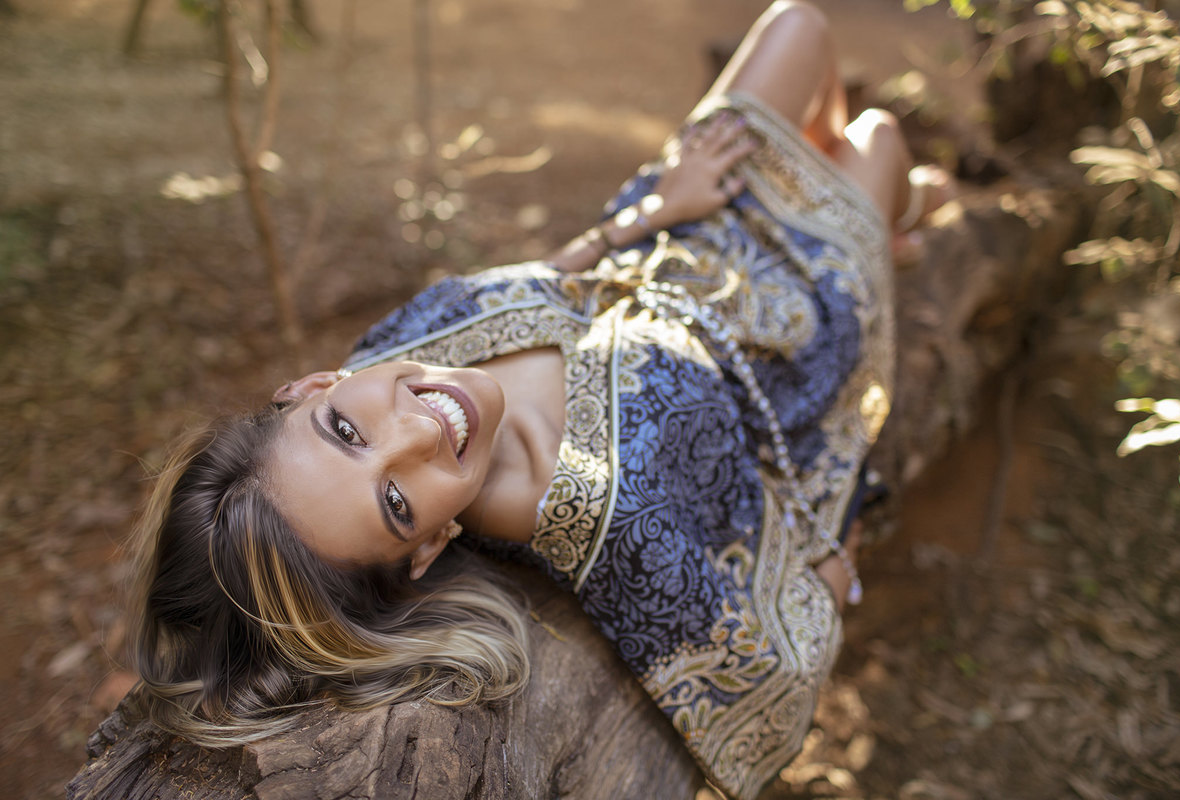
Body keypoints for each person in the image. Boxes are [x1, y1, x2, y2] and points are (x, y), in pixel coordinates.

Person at [130, 3, 949, 797]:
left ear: (312, 385)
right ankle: (900, 211)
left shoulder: (382, 354)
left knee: (799, 24)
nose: (418, 429)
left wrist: (657, 208)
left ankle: (889, 211)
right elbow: (757, 678)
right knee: (877, 135)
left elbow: (542, 285)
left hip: (676, 227)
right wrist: (829, 536)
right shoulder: (582, 506)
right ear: (427, 549)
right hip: (788, 321)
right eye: (396, 501)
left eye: (345, 429)